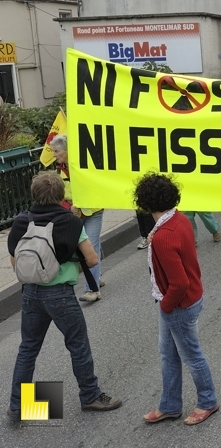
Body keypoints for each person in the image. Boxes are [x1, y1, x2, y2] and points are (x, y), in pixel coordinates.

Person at [7, 172, 123, 420]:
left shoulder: (21, 221)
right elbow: (92, 259)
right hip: (59, 294)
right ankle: (90, 396)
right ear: (61, 195)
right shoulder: (70, 223)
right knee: (78, 345)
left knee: (28, 348)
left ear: (34, 194)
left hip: (30, 294)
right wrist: (69, 263)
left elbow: (15, 261)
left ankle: (19, 405)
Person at [133, 173, 219, 425]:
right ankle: (170, 405)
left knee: (191, 355)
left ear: (146, 204)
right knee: (168, 354)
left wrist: (166, 306)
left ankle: (208, 401)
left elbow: (178, 283)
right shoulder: (178, 219)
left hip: (178, 304)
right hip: (188, 298)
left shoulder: (163, 236)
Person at [50, 134, 104, 303]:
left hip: (93, 211)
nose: (54, 155)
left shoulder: (82, 164)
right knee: (91, 244)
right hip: (74, 214)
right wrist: (69, 207)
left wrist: (79, 205)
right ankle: (97, 275)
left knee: (91, 244)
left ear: (67, 150)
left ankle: (92, 289)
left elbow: (94, 187)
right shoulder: (59, 169)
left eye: (57, 151)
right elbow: (60, 196)